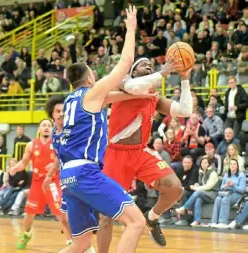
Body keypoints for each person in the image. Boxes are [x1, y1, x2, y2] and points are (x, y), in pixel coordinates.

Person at [54, 7, 149, 253]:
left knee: (82, 243)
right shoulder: (92, 92)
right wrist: (131, 29)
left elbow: (117, 96)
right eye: (93, 73)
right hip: (86, 173)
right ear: (88, 79)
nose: (96, 76)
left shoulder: (71, 100)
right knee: (136, 221)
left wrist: (149, 85)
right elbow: (126, 63)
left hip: (69, 178)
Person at [98, 61, 193, 251]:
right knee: (106, 217)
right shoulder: (122, 81)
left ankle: (152, 218)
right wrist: (163, 71)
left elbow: (185, 111)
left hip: (140, 152)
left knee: (174, 188)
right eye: (143, 65)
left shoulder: (153, 96)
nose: (149, 66)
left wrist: (184, 79)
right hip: (115, 154)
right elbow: (135, 87)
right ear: (133, 71)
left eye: (151, 64)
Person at [9, 119, 71, 249]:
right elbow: (23, 163)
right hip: (37, 183)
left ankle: (70, 241)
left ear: (52, 128)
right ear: (39, 129)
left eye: (49, 125)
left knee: (61, 213)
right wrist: (15, 168)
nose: (46, 128)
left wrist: (56, 166)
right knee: (28, 215)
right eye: (44, 125)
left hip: (53, 182)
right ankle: (27, 234)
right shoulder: (31, 145)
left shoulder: (57, 144)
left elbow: (66, 162)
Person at [176, 156, 220, 227]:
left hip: (212, 194)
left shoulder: (213, 173)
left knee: (197, 192)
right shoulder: (201, 173)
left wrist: (196, 188)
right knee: (198, 200)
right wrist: (196, 185)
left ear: (209, 164)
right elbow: (199, 183)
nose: (203, 164)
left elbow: (208, 186)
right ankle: (197, 220)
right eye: (202, 163)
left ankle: (184, 208)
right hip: (204, 194)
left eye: (205, 163)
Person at [211, 158, 246, 229]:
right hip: (226, 192)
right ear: (229, 166)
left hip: (237, 194)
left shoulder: (241, 175)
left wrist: (234, 185)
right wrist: (225, 185)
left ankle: (223, 222)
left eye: (234, 164)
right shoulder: (226, 175)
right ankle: (214, 221)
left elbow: (242, 190)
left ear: (237, 166)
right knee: (218, 199)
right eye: (231, 164)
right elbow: (221, 187)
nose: (232, 165)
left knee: (225, 199)